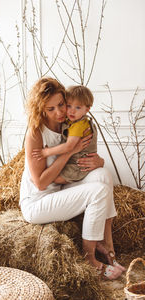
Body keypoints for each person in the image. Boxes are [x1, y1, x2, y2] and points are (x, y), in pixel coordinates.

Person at [19, 77, 125, 280]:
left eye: (61, 104)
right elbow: (40, 183)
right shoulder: (35, 133)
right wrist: (68, 151)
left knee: (102, 176)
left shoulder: (71, 122)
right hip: (38, 202)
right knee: (98, 191)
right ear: (41, 109)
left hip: (61, 190)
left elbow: (82, 156)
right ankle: (89, 259)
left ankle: (106, 242)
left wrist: (99, 161)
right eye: (51, 109)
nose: (59, 112)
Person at [32, 85, 97, 184]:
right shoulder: (69, 120)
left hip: (79, 164)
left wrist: (46, 152)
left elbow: (68, 146)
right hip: (73, 161)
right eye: (69, 105)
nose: (72, 111)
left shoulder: (79, 125)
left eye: (78, 107)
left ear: (87, 109)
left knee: (55, 179)